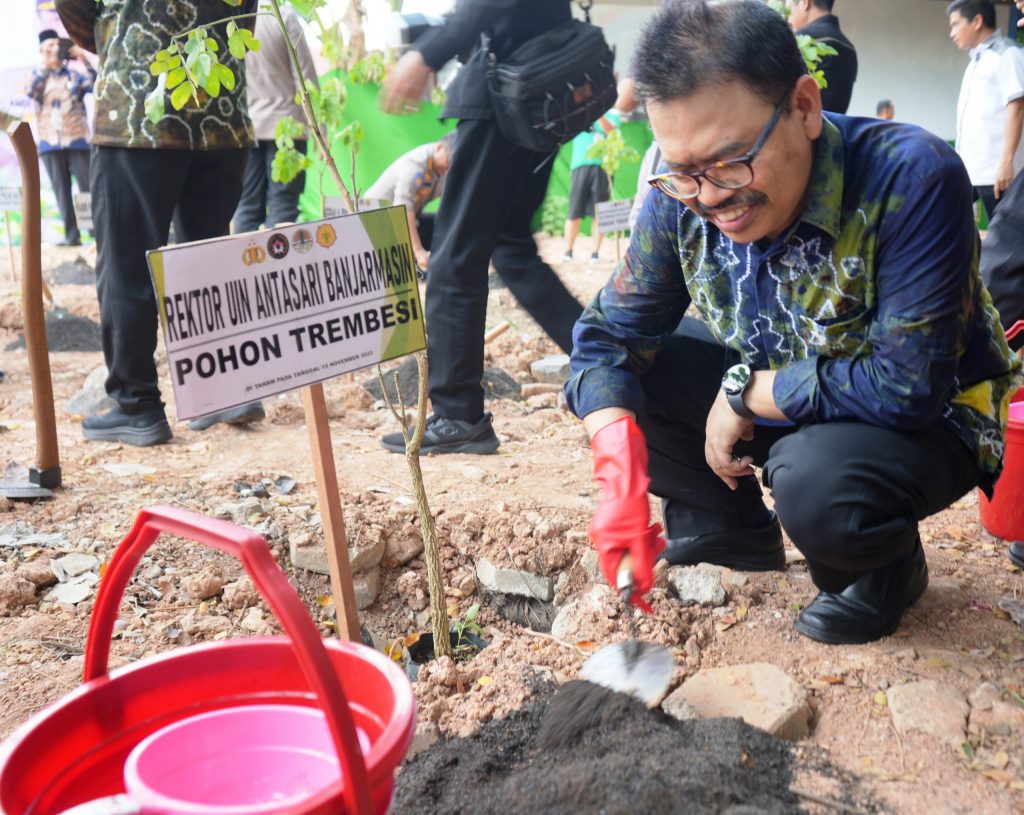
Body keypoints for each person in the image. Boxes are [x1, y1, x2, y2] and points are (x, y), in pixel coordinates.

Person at [567, 0, 1021, 645]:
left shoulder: (909, 175)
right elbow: (606, 337)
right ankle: (730, 524)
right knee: (643, 371)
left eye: (729, 162)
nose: (711, 197)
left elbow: (908, 384)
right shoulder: (685, 200)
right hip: (793, 391)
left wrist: (746, 392)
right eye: (684, 172)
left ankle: (885, 565)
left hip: (927, 417)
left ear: (804, 107)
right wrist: (618, 466)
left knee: (817, 483)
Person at [379, 0, 585, 455]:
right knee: (510, 246)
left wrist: (428, 53)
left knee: (454, 255)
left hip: (504, 90)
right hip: (542, 88)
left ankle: (457, 416)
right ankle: (609, 358)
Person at [57, 0, 265, 446]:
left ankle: (136, 406)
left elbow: (75, 10)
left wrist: (123, 39)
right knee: (206, 262)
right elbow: (243, 19)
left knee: (127, 265)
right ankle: (222, 391)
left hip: (137, 115)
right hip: (221, 116)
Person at [233, 8, 319, 234]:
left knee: (247, 207)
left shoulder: (235, 16)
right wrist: (319, 128)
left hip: (247, 126)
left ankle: (244, 267)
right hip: (288, 129)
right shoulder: (282, 14)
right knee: (283, 205)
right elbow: (305, 77)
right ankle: (280, 266)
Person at [949, 0, 1024, 222]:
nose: (952, 32)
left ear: (977, 21)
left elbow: (1017, 107)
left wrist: (1006, 162)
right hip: (971, 171)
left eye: (956, 24)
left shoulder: (1007, 54)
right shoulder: (976, 61)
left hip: (998, 174)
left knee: (1008, 243)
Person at [26, 29, 95, 247]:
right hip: (50, 142)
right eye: (50, 46)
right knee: (61, 191)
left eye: (58, 45)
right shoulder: (37, 76)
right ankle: (71, 236)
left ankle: (94, 234)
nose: (55, 50)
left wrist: (83, 58)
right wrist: (46, 66)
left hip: (76, 139)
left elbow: (95, 84)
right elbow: (30, 91)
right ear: (41, 50)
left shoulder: (74, 75)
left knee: (87, 189)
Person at [364, 133, 455, 274]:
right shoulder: (416, 164)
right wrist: (418, 252)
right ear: (439, 148)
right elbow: (402, 210)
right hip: (375, 225)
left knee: (443, 224)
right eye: (451, 158)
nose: (451, 164)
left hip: (401, 223)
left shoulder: (441, 169)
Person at [562, 110, 621, 265]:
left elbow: (612, 131)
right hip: (580, 165)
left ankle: (595, 253)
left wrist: (599, 112)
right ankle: (568, 251)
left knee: (600, 213)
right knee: (574, 211)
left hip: (604, 168)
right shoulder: (580, 111)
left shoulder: (613, 115)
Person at [786, 0, 857, 115]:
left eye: (790, 9)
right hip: (836, 130)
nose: (788, 18)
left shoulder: (800, 40)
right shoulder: (849, 48)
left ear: (805, 3)